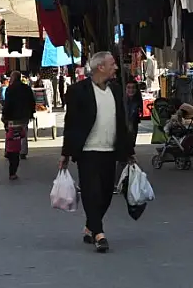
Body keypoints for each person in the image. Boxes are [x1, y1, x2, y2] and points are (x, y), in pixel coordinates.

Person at [59, 51, 136, 253]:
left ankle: (89, 225)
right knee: (91, 192)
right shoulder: (78, 91)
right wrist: (65, 153)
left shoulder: (116, 90)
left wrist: (128, 150)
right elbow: (71, 123)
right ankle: (99, 234)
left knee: (106, 195)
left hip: (109, 150)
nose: (116, 67)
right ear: (100, 67)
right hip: (87, 151)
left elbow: (121, 122)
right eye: (112, 64)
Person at [2, 71, 36, 178]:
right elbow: (32, 101)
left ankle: (9, 151)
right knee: (23, 134)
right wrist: (31, 113)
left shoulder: (10, 89)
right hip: (24, 116)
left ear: (13, 78)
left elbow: (7, 104)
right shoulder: (26, 88)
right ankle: (23, 151)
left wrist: (4, 117)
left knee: (11, 134)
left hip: (12, 117)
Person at [114, 79, 143, 193]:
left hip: (132, 131)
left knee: (127, 156)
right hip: (122, 131)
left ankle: (124, 181)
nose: (131, 90)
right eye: (128, 88)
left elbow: (135, 118)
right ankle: (118, 183)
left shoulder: (136, 101)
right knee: (124, 157)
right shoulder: (122, 101)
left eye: (133, 88)